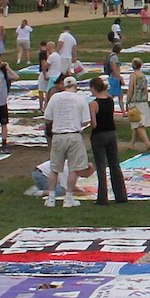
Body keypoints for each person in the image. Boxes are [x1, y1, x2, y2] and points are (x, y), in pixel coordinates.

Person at [43, 76, 93, 207]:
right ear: (75, 86)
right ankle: (69, 197)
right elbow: (87, 120)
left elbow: (47, 117)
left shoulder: (55, 98)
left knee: (54, 168)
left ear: (64, 85)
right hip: (74, 135)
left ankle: (51, 198)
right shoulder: (80, 99)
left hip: (58, 135)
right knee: (74, 169)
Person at [86, 76, 127, 205]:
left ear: (93, 88)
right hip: (111, 134)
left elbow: (94, 124)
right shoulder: (110, 100)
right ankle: (121, 195)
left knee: (101, 166)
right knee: (115, 165)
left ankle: (102, 198)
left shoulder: (93, 104)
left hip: (99, 136)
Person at [127, 58, 150, 150]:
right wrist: (146, 98)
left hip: (135, 101)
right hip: (143, 101)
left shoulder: (133, 75)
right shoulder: (143, 75)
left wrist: (127, 100)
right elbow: (146, 89)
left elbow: (131, 89)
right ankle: (132, 144)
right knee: (137, 124)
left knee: (138, 124)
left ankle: (147, 143)